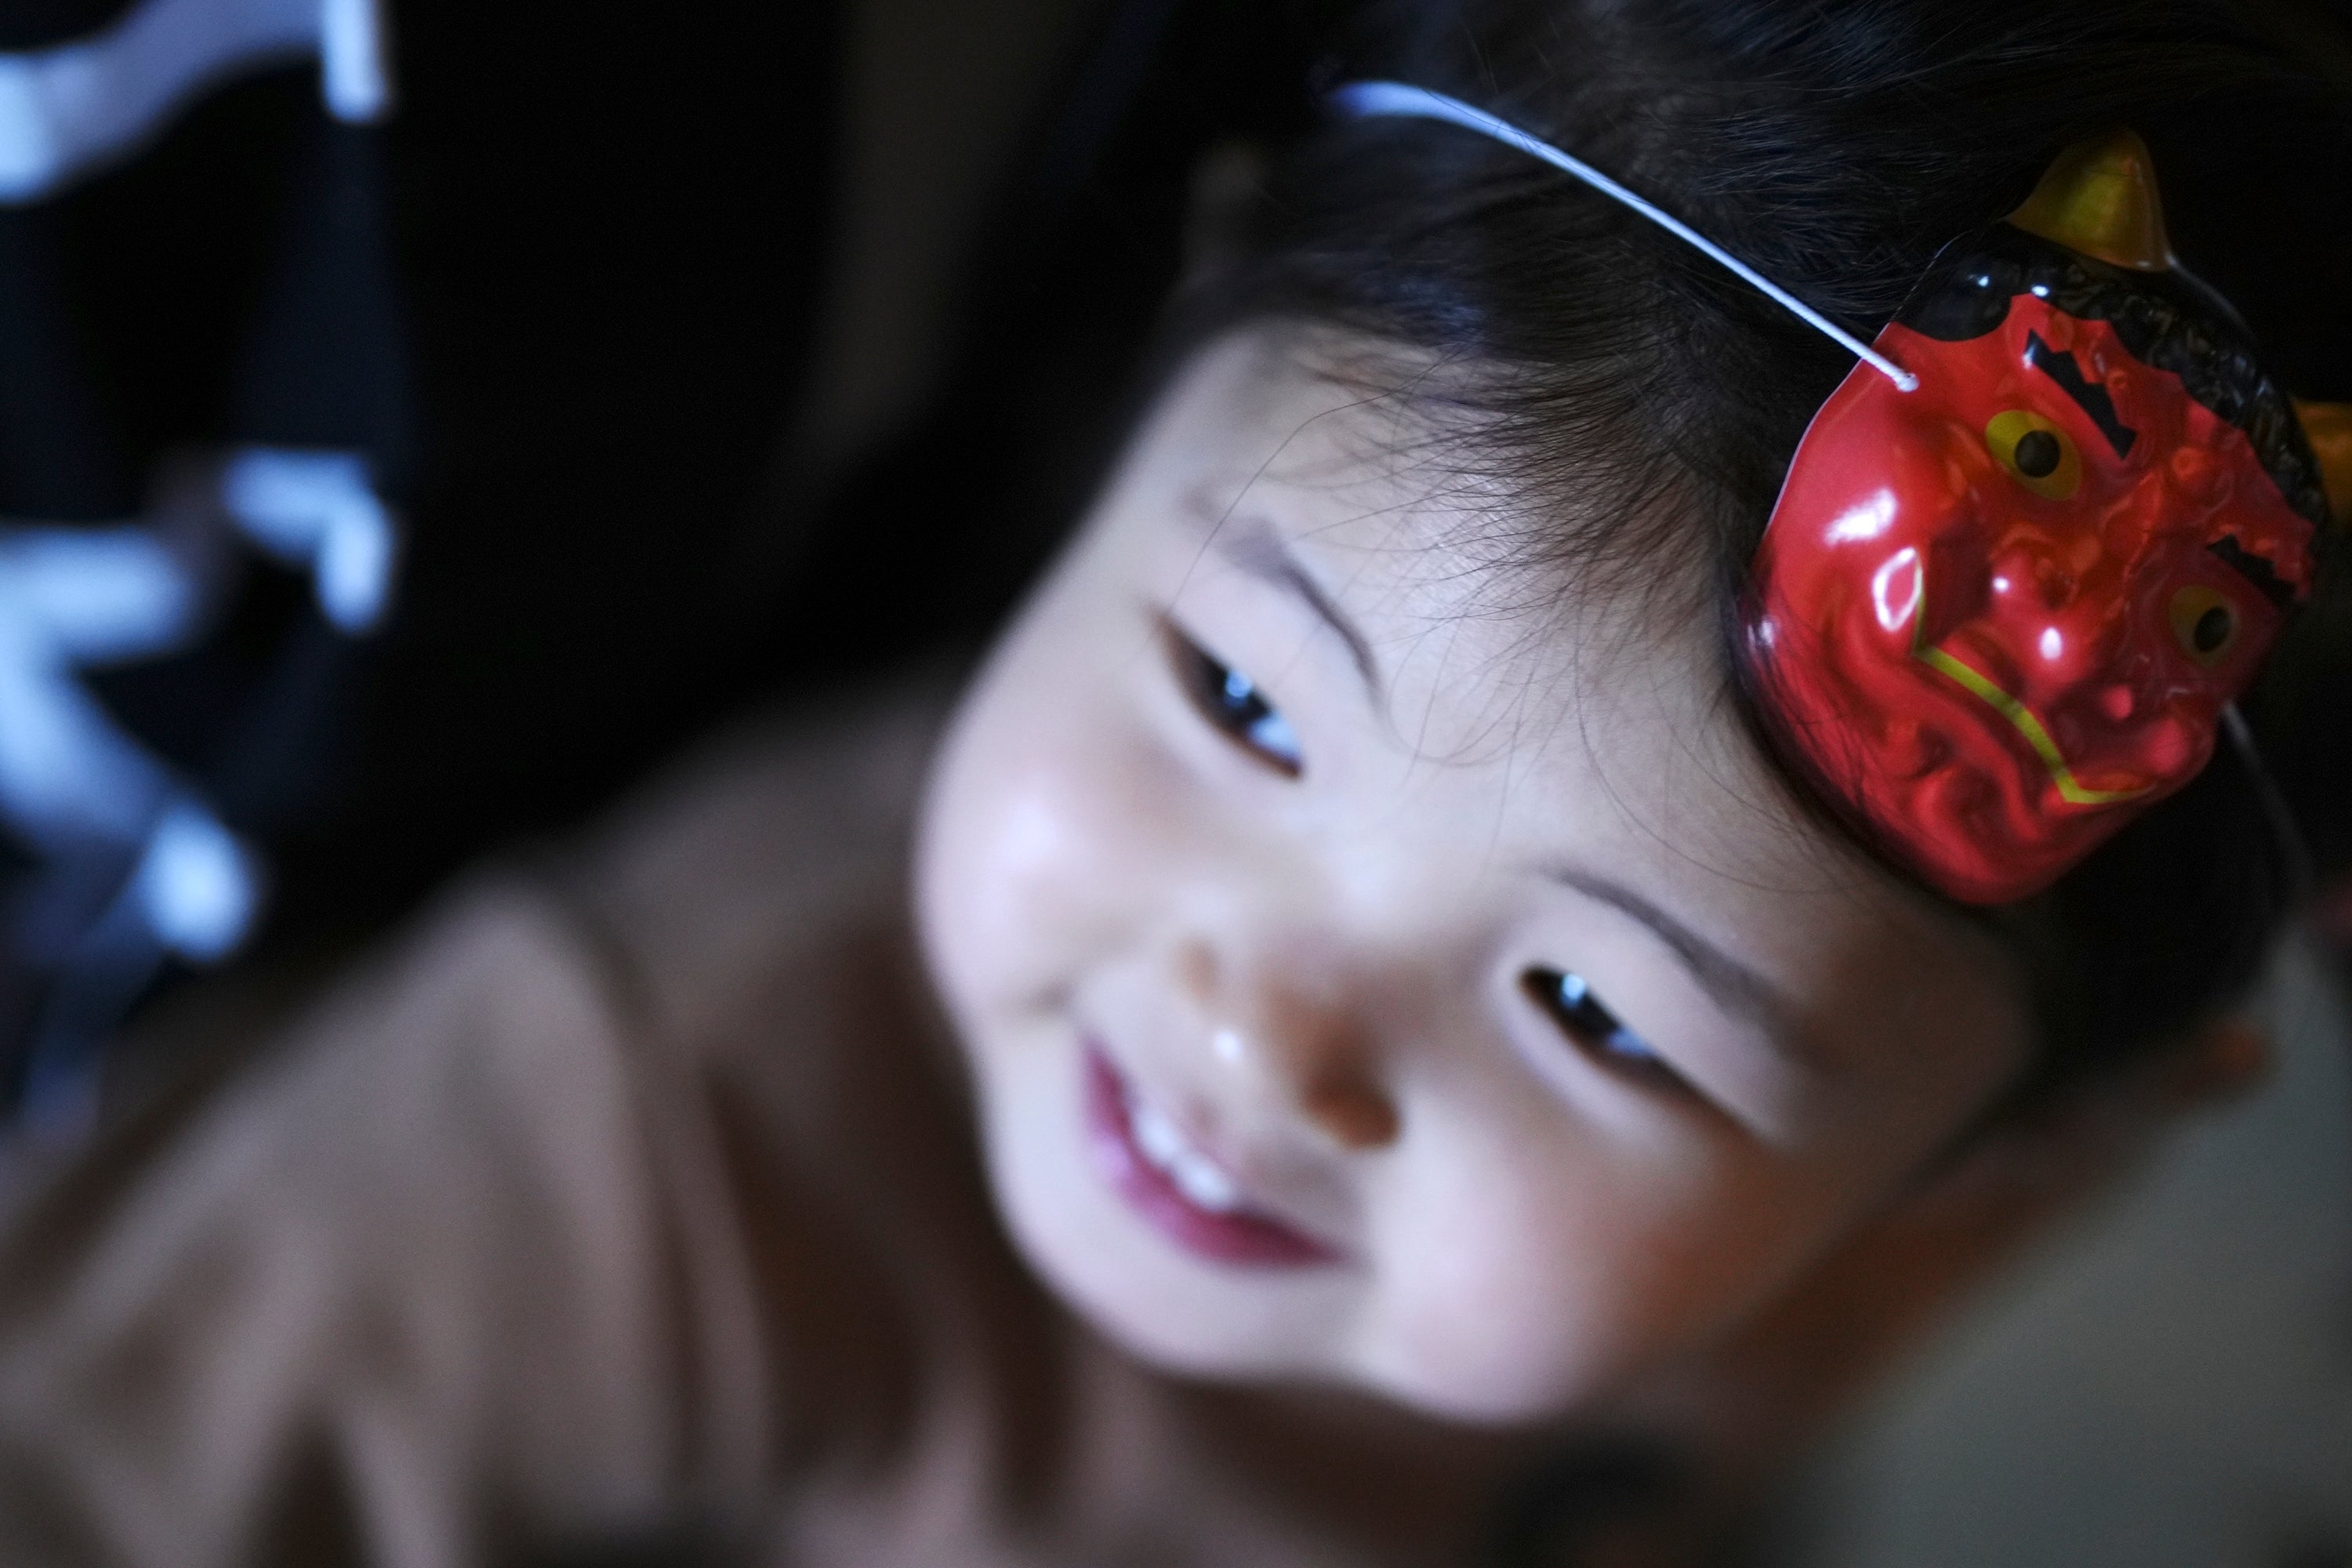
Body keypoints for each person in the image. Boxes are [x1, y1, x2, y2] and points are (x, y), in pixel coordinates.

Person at [1, 0, 2347, 1562]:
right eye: (1241, 704)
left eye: (1598, 1022)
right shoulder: (654, 1133)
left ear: (2011, 1163)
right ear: (1146, 393)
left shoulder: (1873, 1244)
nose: (1264, 1035)